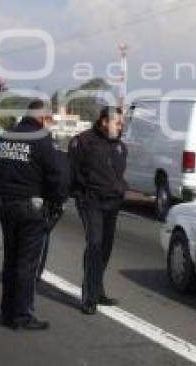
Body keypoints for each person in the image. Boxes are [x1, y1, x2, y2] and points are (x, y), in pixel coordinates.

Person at [0, 100, 64, 330]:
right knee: (27, 263)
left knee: (10, 259)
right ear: (42, 118)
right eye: (48, 120)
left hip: (6, 205)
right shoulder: (41, 139)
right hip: (31, 207)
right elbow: (55, 175)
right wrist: (57, 201)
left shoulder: (4, 137)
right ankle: (21, 315)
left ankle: (7, 311)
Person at [69, 106, 127, 315]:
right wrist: (79, 194)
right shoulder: (83, 141)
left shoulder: (120, 146)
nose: (121, 127)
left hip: (112, 202)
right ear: (104, 121)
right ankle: (89, 295)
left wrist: (120, 190)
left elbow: (118, 173)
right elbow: (72, 171)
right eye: (117, 123)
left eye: (122, 123)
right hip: (90, 201)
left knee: (105, 246)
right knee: (94, 243)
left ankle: (98, 289)